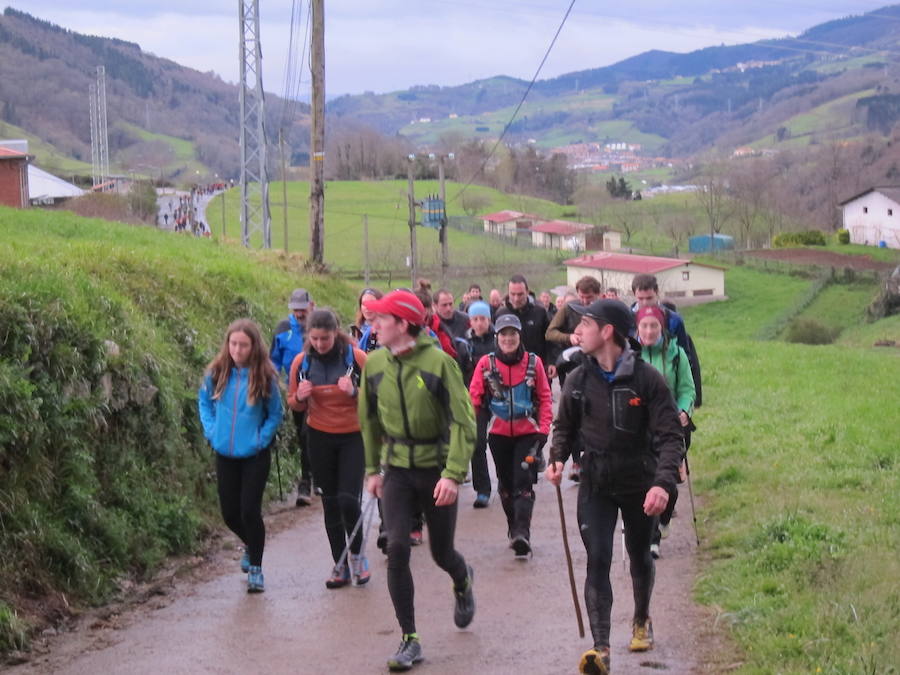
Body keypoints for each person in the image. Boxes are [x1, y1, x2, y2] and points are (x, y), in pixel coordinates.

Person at [544, 300, 683, 674]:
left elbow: (672, 437)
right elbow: (564, 428)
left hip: (640, 482)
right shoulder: (577, 379)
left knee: (640, 557)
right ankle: (600, 648)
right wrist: (556, 457)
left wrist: (663, 484)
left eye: (586, 323)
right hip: (596, 484)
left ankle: (641, 618)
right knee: (598, 558)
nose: (579, 330)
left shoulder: (647, 379)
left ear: (607, 331)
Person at [359, 290, 477, 672]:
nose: (373, 325)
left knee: (441, 553)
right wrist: (372, 469)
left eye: (381, 319)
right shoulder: (374, 364)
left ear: (404, 324)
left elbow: (464, 422)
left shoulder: (440, 364)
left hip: (436, 469)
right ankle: (410, 638)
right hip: (397, 471)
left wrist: (454, 475)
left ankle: (462, 578)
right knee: (396, 548)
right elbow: (368, 420)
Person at [287, 309, 371, 588]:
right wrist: (299, 396)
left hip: (352, 437)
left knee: (349, 500)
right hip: (319, 438)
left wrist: (354, 392)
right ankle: (340, 565)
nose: (320, 344)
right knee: (330, 504)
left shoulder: (356, 358)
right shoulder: (302, 362)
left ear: (336, 333)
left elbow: (377, 400)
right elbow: (294, 404)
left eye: (325, 338)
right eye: (315, 339)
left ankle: (357, 556)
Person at [199, 319, 283, 593]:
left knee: (249, 510)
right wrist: (212, 432)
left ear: (253, 346)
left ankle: (256, 568)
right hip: (225, 452)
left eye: (243, 345)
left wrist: (261, 439)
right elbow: (203, 404)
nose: (237, 349)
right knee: (229, 514)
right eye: (233, 344)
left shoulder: (265, 376)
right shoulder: (216, 372)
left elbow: (275, 414)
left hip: (255, 455)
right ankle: (251, 543)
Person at [469, 314, 552, 557]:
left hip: (528, 433)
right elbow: (474, 397)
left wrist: (543, 430)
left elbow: (545, 398)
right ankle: (513, 527)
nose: (508, 339)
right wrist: (474, 428)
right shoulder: (486, 364)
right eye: (503, 334)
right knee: (505, 485)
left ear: (519, 336)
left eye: (512, 334)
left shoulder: (533, 363)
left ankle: (522, 534)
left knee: (523, 482)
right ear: (497, 337)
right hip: (498, 434)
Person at [635, 306, 695, 560]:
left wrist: (683, 411)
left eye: (654, 326)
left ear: (662, 328)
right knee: (647, 481)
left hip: (669, 426)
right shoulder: (629, 354)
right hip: (638, 429)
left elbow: (687, 389)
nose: (649, 331)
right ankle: (652, 539)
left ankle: (664, 518)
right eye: (644, 326)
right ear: (637, 328)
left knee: (668, 482)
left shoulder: (677, 354)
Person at [271, 289, 316, 507]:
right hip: (296, 391)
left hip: (321, 391)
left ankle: (307, 481)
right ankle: (312, 477)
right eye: (295, 309)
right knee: (303, 435)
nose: (299, 313)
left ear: (311, 306)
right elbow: (273, 362)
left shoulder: (319, 326)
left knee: (312, 435)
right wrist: (270, 386)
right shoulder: (283, 329)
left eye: (303, 309)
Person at [630, 274, 702, 408]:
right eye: (640, 299)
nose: (645, 303)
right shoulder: (626, 318)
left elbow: (684, 356)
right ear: (634, 295)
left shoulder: (674, 320)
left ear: (657, 293)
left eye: (649, 298)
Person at [462, 301, 496, 508]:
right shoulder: (465, 343)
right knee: (477, 443)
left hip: (500, 396)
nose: (479, 323)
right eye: (475, 319)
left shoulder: (499, 339)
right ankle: (482, 489)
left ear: (489, 320)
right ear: (470, 321)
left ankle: (508, 482)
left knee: (502, 442)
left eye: (483, 318)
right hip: (476, 399)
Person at [495, 274, 554, 378]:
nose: (516, 299)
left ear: (527, 292)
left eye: (520, 294)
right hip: (510, 371)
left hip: (538, 369)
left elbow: (550, 339)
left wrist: (552, 361)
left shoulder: (539, 312)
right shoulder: (501, 314)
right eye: (512, 294)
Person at [351, 287, 383, 353]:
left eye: (372, 303)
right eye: (364, 303)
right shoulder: (356, 331)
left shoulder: (387, 332)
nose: (367, 307)